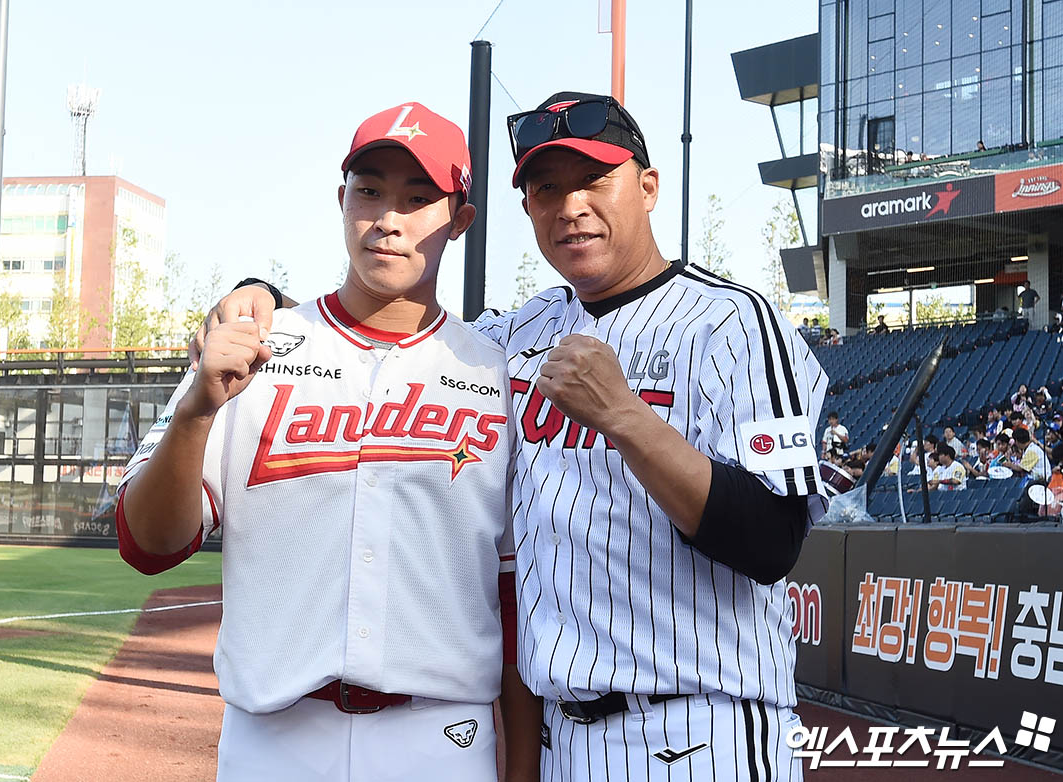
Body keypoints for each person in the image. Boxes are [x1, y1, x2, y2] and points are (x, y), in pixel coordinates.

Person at [197, 90, 827, 781]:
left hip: (705, 727)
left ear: (647, 188)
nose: (569, 206)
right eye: (545, 189)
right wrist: (265, 299)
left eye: (593, 180)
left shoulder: (733, 323)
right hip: (564, 741)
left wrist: (627, 418)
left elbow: (773, 540)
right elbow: (397, 334)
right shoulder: (511, 339)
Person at [120, 103, 536, 781]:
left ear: (460, 217)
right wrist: (198, 408)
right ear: (342, 200)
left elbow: (520, 600)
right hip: (274, 736)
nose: (388, 219)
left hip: (440, 738)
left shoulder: (495, 372)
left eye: (418, 197)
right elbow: (147, 545)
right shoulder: (254, 344)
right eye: (369, 191)